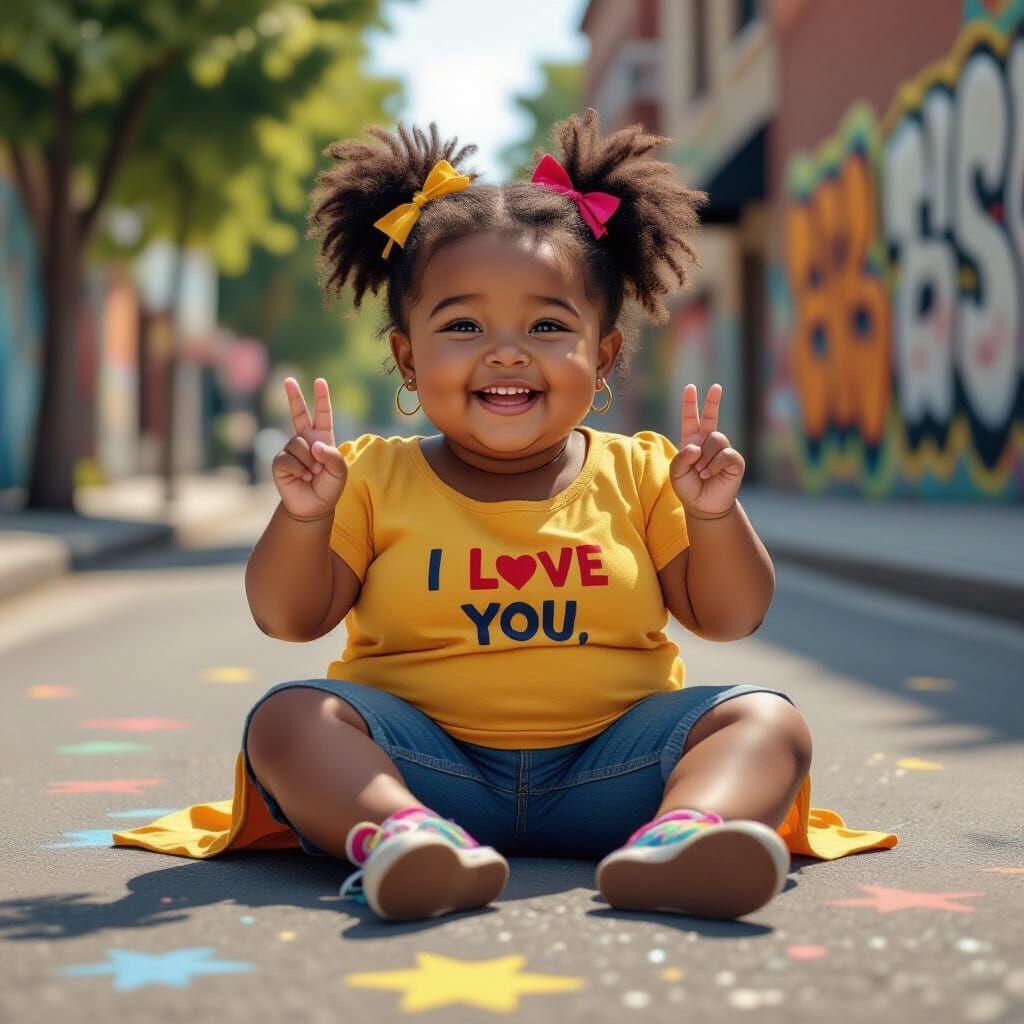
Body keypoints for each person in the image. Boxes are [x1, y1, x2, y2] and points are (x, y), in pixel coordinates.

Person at [113, 110, 897, 922]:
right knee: (287, 718)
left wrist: (714, 518)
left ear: (603, 356)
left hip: (614, 774)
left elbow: (731, 618)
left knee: (765, 718)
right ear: (408, 357)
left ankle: (686, 838)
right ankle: (406, 840)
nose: (507, 351)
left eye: (548, 326)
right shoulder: (370, 476)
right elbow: (288, 618)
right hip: (426, 771)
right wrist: (306, 519)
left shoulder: (644, 471)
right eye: (463, 326)